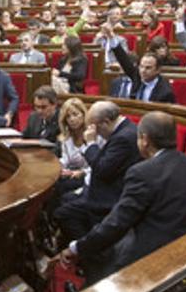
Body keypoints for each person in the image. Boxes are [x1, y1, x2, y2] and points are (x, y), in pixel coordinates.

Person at [59, 111, 186, 287]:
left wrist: (76, 248)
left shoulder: (142, 173)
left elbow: (117, 224)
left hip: (157, 264)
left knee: (106, 269)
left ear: (144, 139)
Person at [51, 101, 140, 247]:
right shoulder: (124, 129)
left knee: (62, 213)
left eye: (94, 126)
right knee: (65, 199)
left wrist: (91, 144)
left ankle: (90, 251)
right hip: (103, 186)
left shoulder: (123, 137)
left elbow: (101, 169)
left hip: (110, 196)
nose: (93, 131)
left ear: (105, 122)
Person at [108, 42, 177, 104]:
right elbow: (124, 60)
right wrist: (111, 37)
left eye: (148, 68)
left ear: (158, 70)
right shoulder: (137, 76)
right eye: (141, 67)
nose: (143, 71)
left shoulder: (165, 92)